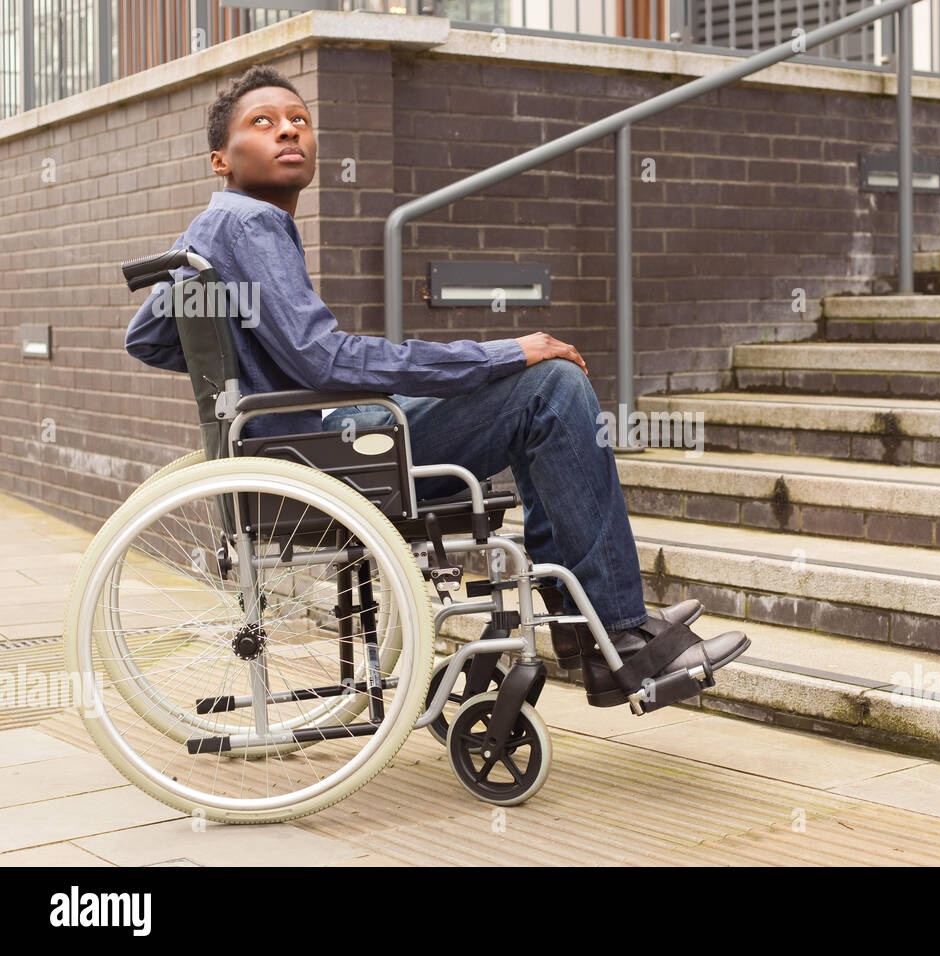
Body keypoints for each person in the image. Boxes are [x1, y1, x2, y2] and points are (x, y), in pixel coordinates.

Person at [124, 65, 748, 707]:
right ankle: (615, 633)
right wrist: (503, 350)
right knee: (550, 387)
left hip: (292, 452)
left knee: (536, 398)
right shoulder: (247, 223)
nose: (289, 129)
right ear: (220, 159)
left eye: (300, 120)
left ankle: (596, 627)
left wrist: (210, 298)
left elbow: (145, 337)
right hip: (324, 459)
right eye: (264, 121)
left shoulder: (217, 228)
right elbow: (324, 360)